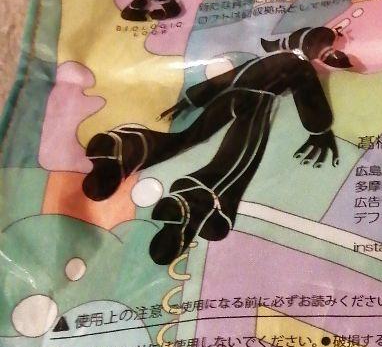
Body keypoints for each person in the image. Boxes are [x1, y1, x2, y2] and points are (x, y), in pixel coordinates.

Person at [82, 26, 352, 264]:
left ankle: (128, 148)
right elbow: (304, 77)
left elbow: (233, 76)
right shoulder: (293, 62)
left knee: (189, 136)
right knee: (240, 150)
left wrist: (195, 97)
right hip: (254, 100)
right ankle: (203, 196)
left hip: (229, 96)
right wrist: (319, 128)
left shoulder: (263, 61)